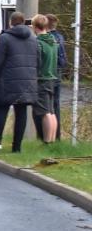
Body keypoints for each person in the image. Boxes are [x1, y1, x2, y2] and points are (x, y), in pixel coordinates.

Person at [0, 12, 39, 154]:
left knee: (0, 111)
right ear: (23, 22)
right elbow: (37, 61)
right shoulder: (33, 39)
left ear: (11, 22)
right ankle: (17, 147)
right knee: (21, 113)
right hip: (27, 82)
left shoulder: (5, 38)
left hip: (7, 81)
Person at [32, 15, 60, 143]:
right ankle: (53, 139)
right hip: (52, 77)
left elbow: (36, 62)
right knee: (51, 111)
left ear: (35, 26)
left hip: (42, 78)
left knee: (45, 112)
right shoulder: (53, 41)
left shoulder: (38, 43)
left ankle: (47, 141)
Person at [46, 14, 67, 142]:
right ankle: (57, 136)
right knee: (56, 105)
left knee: (47, 107)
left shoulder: (47, 38)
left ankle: (48, 137)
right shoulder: (60, 37)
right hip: (58, 73)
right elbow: (63, 60)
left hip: (49, 74)